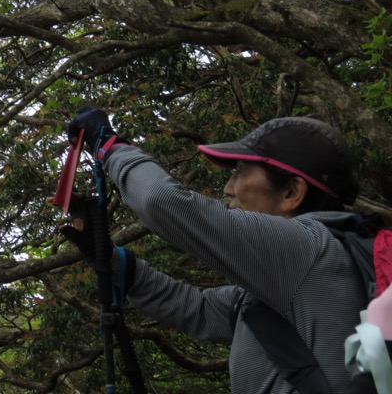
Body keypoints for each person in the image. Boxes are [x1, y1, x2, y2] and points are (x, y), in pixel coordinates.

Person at [63, 107, 367, 394]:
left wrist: (111, 147)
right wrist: (112, 259)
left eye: (240, 173)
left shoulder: (308, 250)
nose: (228, 188)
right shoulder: (293, 277)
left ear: (291, 193)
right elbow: (199, 309)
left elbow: (160, 200)